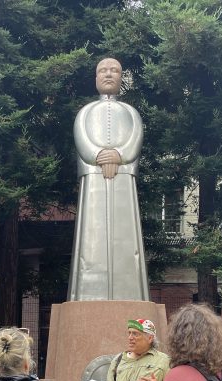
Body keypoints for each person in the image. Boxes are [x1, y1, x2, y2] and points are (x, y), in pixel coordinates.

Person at [69, 57, 149, 301]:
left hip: (123, 179)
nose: (108, 74)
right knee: (91, 239)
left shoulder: (131, 113)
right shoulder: (85, 112)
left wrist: (119, 155)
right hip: (94, 178)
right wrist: (98, 155)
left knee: (127, 239)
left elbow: (135, 139)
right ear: (95, 78)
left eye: (114, 70)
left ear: (121, 77)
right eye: (103, 70)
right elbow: (82, 139)